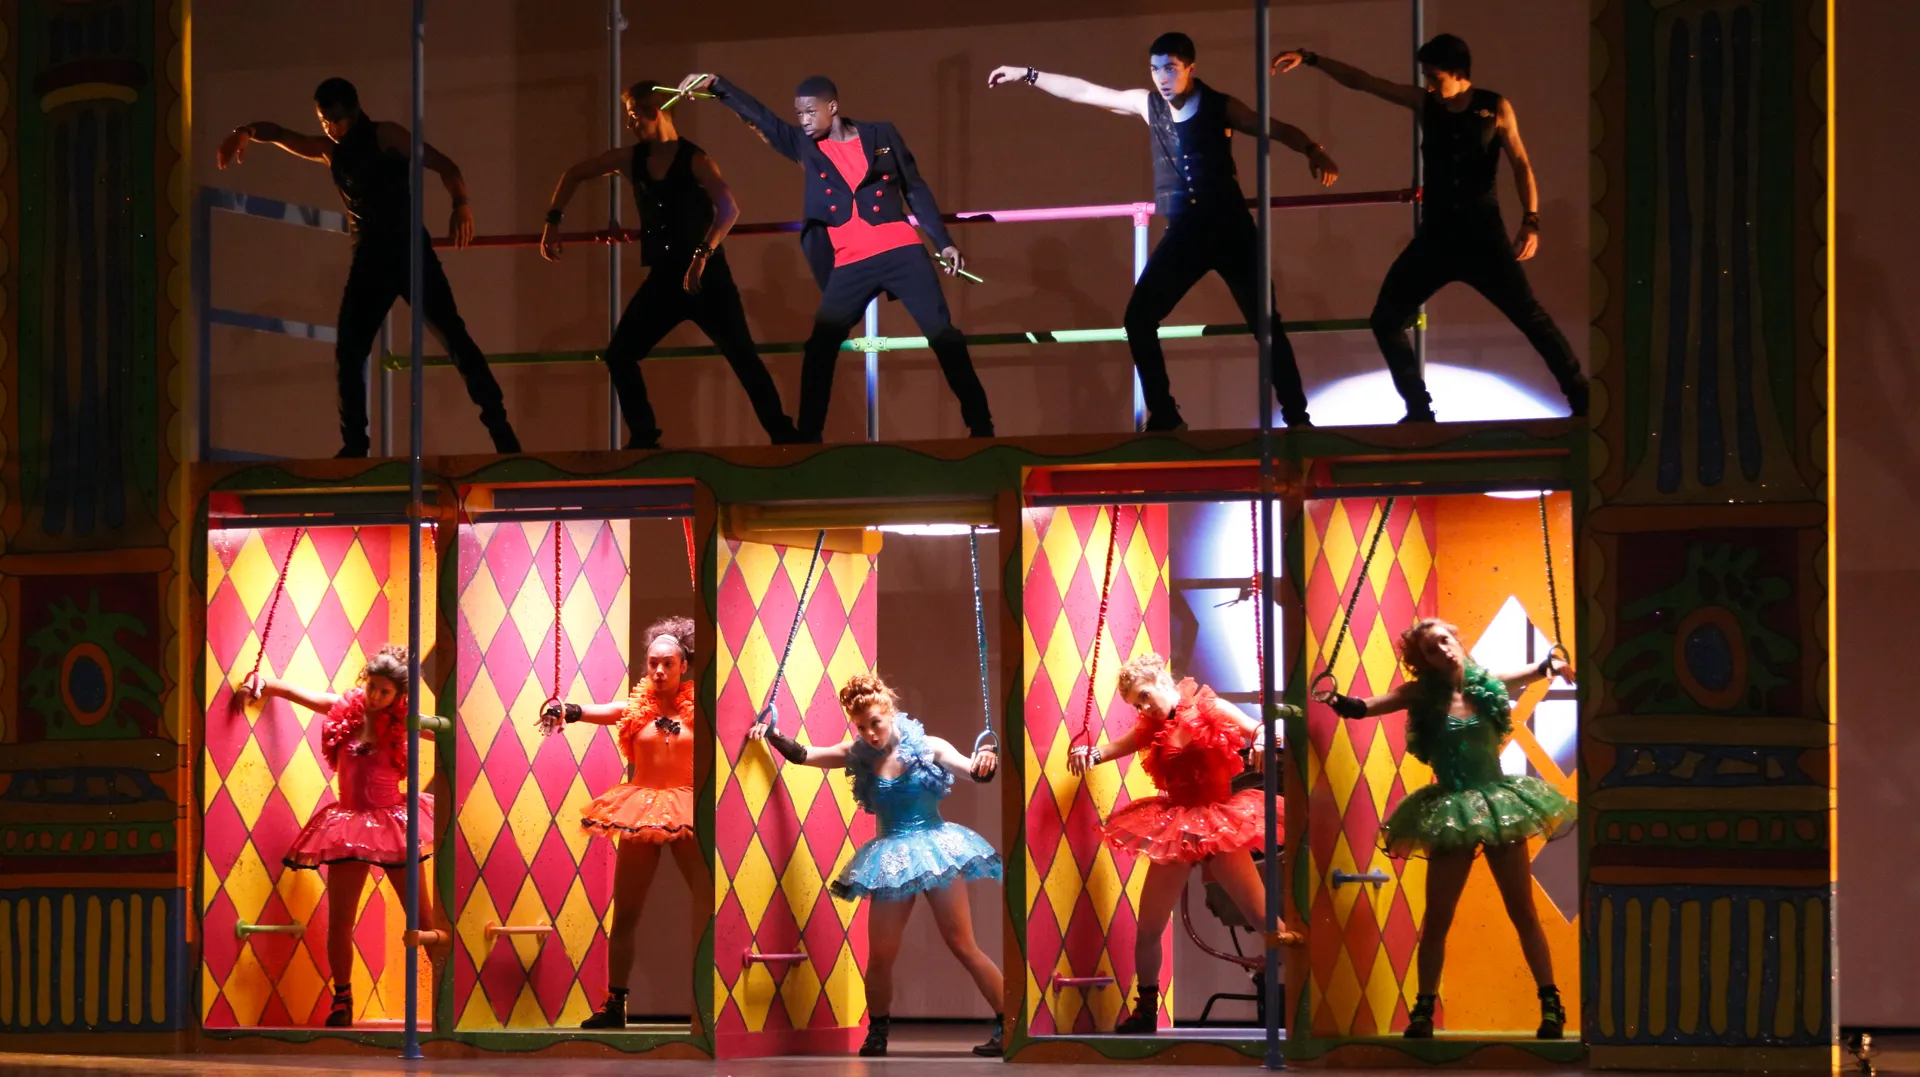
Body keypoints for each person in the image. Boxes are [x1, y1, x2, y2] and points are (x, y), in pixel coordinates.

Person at [988, 32, 1339, 432]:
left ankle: (1298, 419)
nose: (1162, 78)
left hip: (1231, 229)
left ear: (1191, 68)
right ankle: (1166, 415)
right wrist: (1026, 74)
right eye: (1155, 69)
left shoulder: (1220, 106)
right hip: (1185, 234)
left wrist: (1313, 150)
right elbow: (1084, 91)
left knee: (1266, 324)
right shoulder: (1148, 104)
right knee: (1138, 318)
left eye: (1170, 68)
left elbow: (1273, 127)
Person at [1272, 34, 1589, 422]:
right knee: (1385, 319)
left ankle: (1581, 397)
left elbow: (1521, 164)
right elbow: (1364, 82)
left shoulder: (1495, 107)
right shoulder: (1426, 104)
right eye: (1426, 77)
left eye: (1435, 77)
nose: (1430, 86)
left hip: (1483, 235)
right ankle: (1419, 408)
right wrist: (1310, 58)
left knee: (1531, 317)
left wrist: (1531, 221)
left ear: (1458, 74)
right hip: (1437, 236)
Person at [674, 73, 994, 442]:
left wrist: (944, 242)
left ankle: (981, 425)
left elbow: (915, 188)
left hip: (901, 252)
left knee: (942, 334)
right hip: (850, 263)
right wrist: (717, 85)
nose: (804, 120)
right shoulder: (803, 145)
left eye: (811, 112)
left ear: (833, 107)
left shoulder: (882, 134)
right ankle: (808, 439)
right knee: (820, 347)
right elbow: (761, 119)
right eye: (799, 114)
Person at [215, 78, 520, 457]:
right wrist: (244, 132)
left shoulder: (385, 135)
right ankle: (355, 445)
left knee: (454, 338)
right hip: (370, 260)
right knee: (349, 352)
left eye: (336, 120)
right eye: (324, 121)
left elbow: (445, 165)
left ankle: (502, 432)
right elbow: (281, 133)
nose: (331, 128)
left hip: (407, 250)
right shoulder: (330, 151)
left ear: (355, 111)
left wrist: (461, 204)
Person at [1322, 618, 1575, 1039]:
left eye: (1444, 640)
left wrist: (1554, 664)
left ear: (1456, 640)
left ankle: (1551, 1006)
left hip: (1499, 804)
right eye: (1431, 649)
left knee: (1522, 911)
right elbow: (1366, 706)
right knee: (1438, 918)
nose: (1443, 649)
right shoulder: (1419, 694)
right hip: (1451, 810)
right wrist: (1336, 699)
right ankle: (1423, 1010)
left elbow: (1536, 669)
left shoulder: (1489, 682)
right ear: (1423, 661)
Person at [750, 674, 1005, 1057]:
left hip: (935, 850)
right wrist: (771, 731)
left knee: (962, 944)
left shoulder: (929, 747)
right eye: (861, 727)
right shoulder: (857, 753)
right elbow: (804, 754)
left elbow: (974, 773)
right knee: (882, 955)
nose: (869, 733)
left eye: (875, 723)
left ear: (889, 711)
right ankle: (877, 1032)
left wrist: (987, 756)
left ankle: (1007, 1022)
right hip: (890, 859)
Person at [540, 83, 799, 449]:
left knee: (742, 355)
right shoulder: (631, 159)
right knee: (620, 355)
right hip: (665, 278)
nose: (630, 124)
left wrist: (701, 256)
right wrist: (552, 221)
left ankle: (784, 436)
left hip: (707, 278)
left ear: (656, 112)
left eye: (634, 116)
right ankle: (644, 437)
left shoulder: (694, 159)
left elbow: (729, 209)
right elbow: (574, 174)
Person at [237, 644, 445, 1028]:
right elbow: (294, 692)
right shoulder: (343, 708)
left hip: (392, 824)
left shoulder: (406, 721)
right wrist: (260, 682)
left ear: (399, 695)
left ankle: (449, 1000)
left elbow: (448, 732)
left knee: (422, 918)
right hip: (348, 825)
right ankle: (342, 998)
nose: (375, 696)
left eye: (385, 692)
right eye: (372, 687)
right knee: (340, 921)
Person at [1066, 652, 1275, 1033]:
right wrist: (1087, 752)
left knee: (1263, 918)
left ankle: (1303, 995)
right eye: (1136, 704)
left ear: (1162, 681)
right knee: (1149, 927)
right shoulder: (1151, 727)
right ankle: (1146, 1010)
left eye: (1145, 696)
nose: (1143, 708)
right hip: (1176, 826)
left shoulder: (1210, 707)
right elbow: (1111, 749)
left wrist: (1262, 739)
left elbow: (1258, 729)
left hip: (1217, 821)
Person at [541, 616, 706, 1030]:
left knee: (709, 903)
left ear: (684, 665)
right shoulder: (636, 707)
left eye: (668, 663)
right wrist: (568, 710)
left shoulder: (702, 709)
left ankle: (717, 1002)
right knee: (626, 911)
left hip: (686, 809)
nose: (659, 671)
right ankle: (615, 1006)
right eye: (653, 663)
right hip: (641, 811)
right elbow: (602, 710)